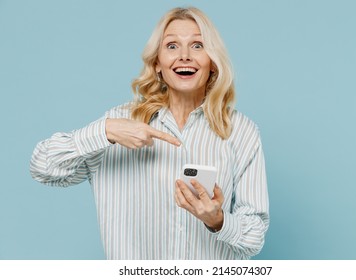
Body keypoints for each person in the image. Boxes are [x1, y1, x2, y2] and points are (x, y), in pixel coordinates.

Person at [30, 6, 269, 260]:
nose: (185, 56)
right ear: (157, 63)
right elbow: (42, 166)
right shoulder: (120, 124)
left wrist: (218, 221)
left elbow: (254, 237)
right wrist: (106, 130)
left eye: (198, 46)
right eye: (172, 46)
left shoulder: (241, 132)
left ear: (212, 62)